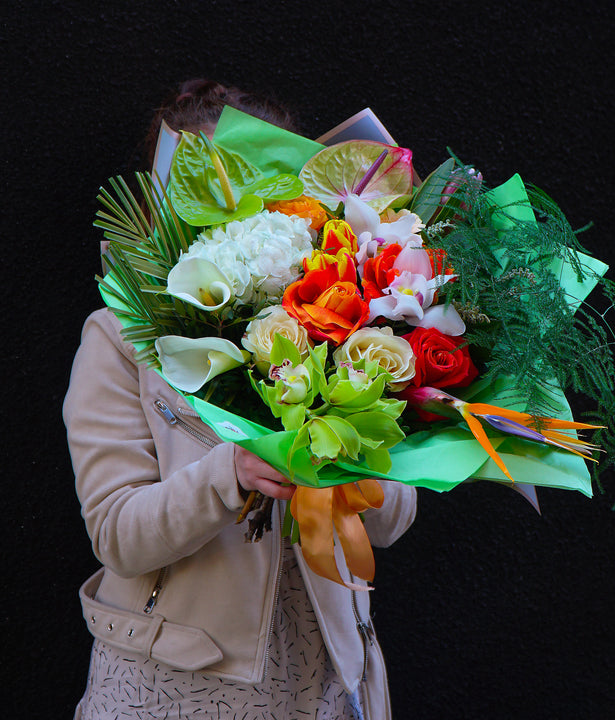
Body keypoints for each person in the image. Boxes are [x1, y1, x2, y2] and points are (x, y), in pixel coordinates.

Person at [63, 79, 417, 720]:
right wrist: (230, 472)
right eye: (214, 192)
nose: (241, 213)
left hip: (325, 680)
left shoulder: (342, 322)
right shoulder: (118, 336)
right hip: (173, 690)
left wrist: (354, 456)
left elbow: (392, 521)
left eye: (266, 190)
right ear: (169, 201)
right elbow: (116, 534)